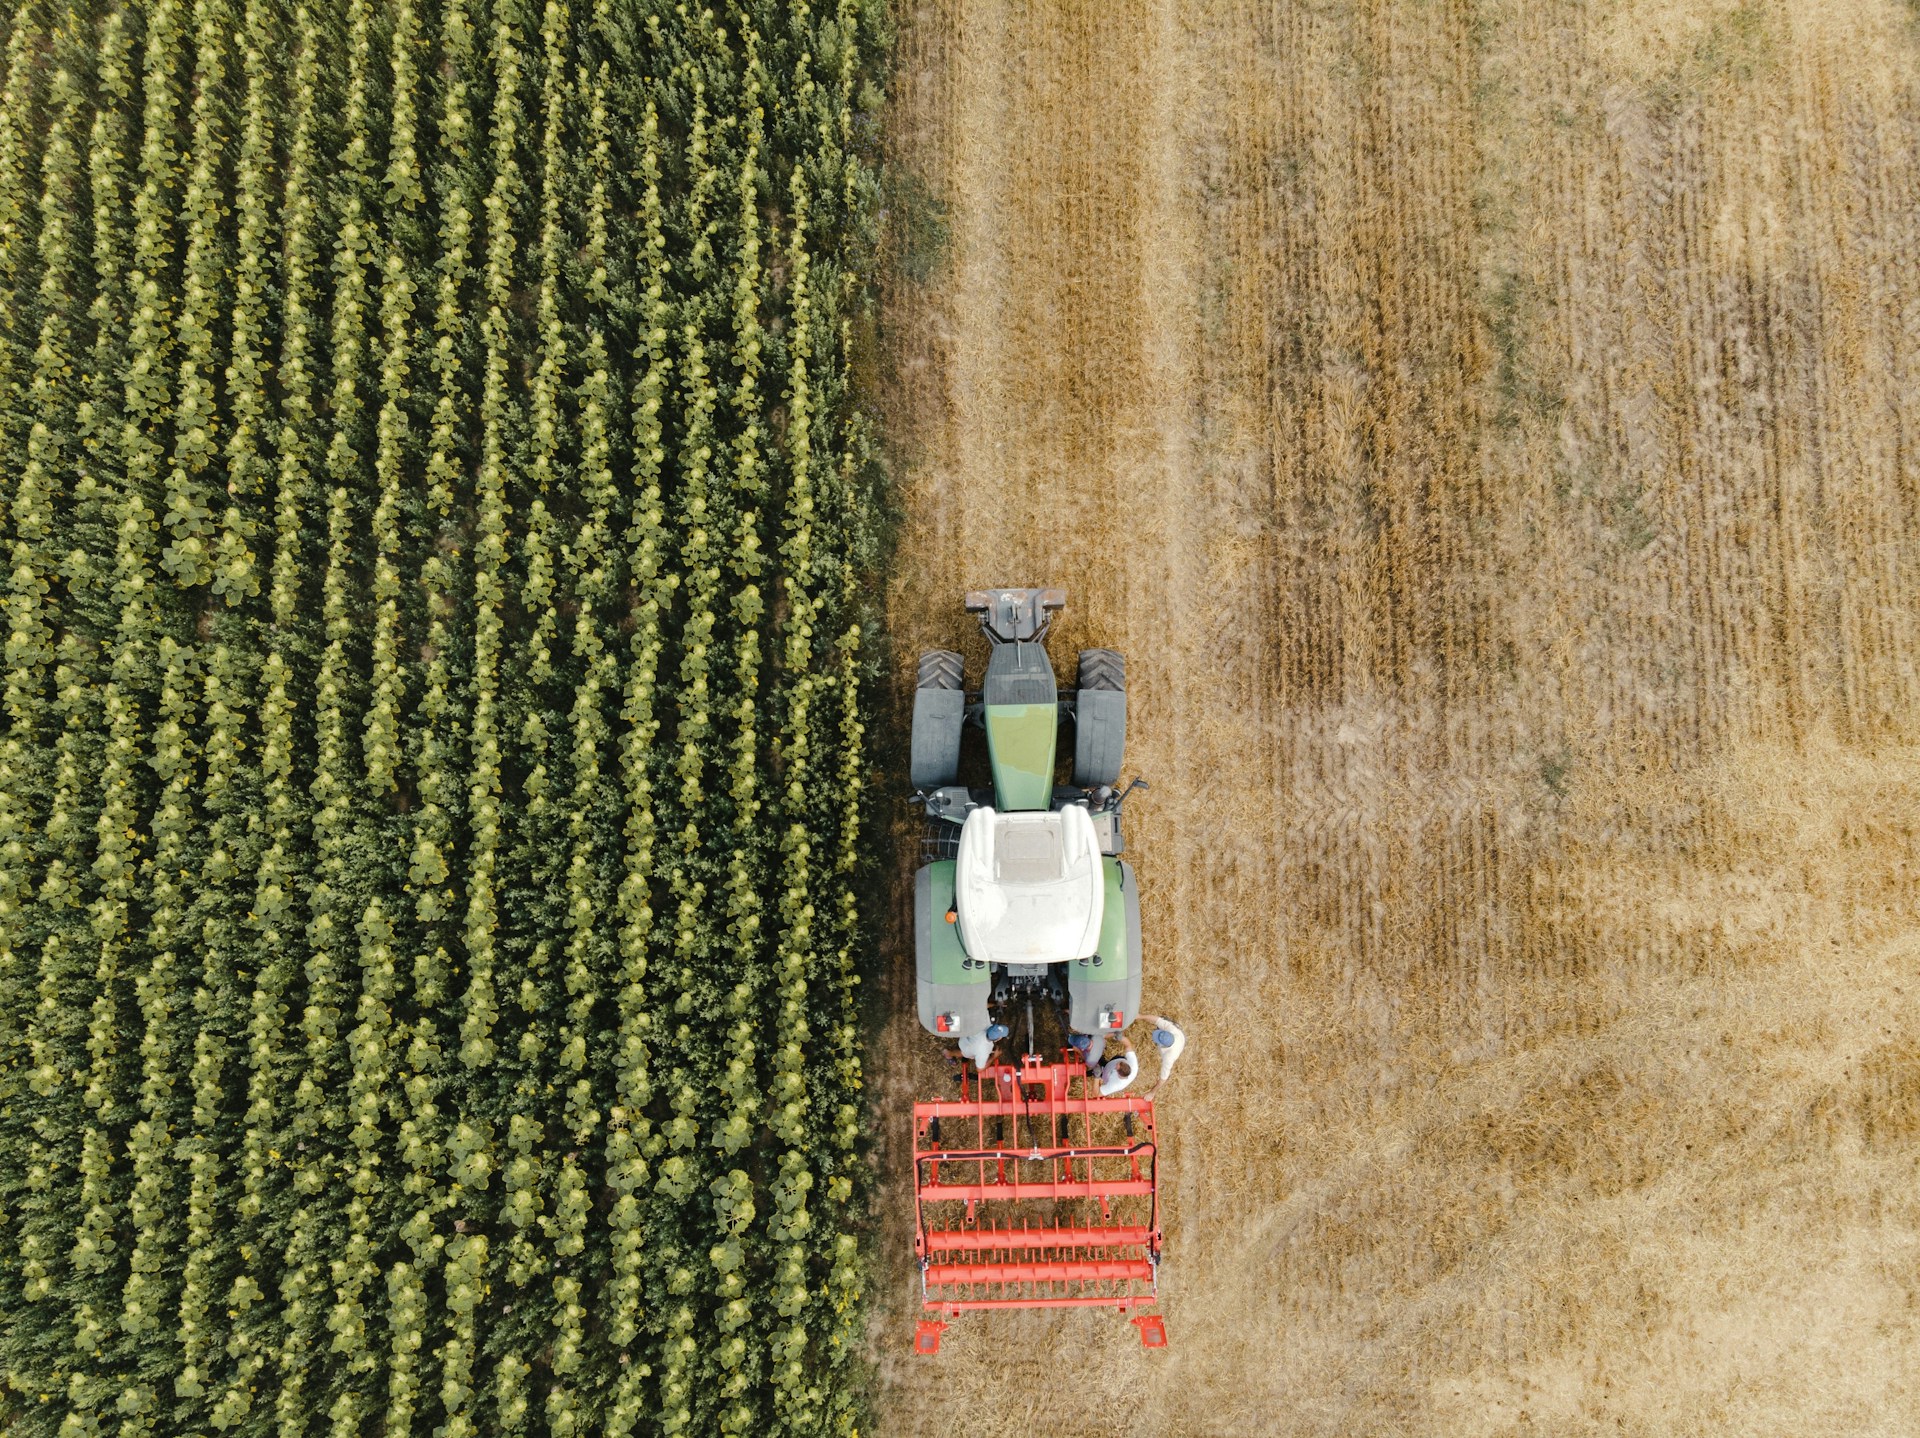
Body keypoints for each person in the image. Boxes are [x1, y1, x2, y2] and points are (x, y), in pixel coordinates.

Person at [1137, 1013, 1186, 1092]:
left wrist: (1152, 1092)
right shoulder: (1172, 1030)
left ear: (1162, 1045)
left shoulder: (1169, 1057)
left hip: (1179, 1044)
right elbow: (1157, 1020)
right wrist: (1140, 1016)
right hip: (1180, 1035)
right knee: (1164, 1020)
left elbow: (1163, 1079)